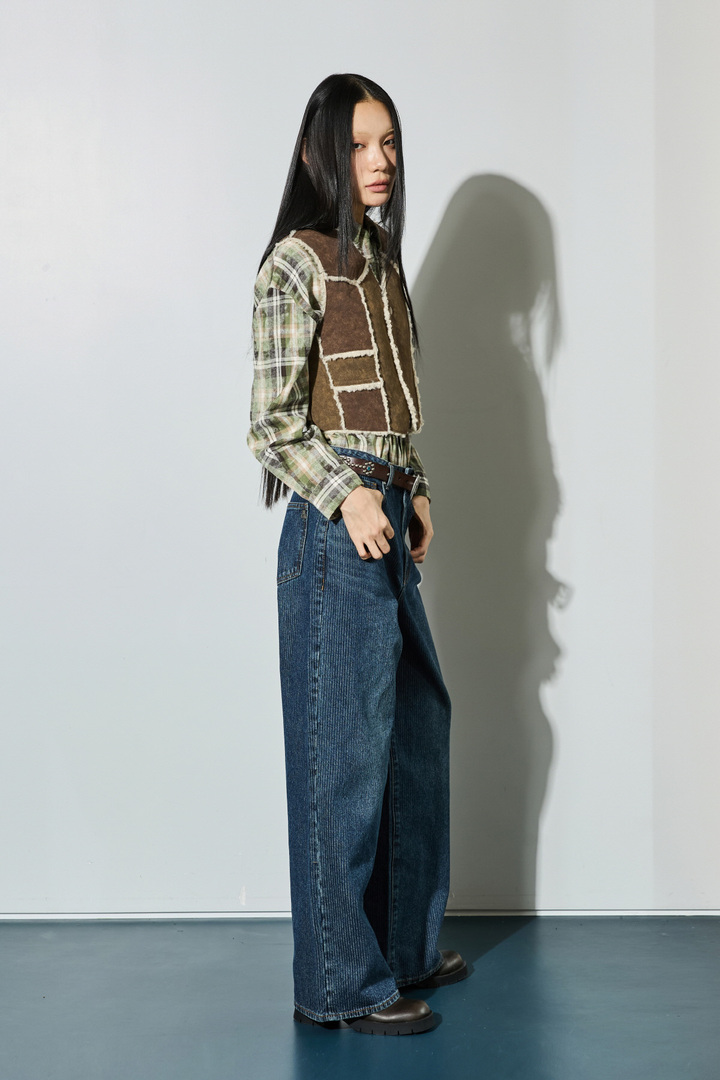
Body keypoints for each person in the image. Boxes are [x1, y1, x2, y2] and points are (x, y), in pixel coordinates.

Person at [247, 73, 468, 1036]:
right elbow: (272, 425)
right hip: (336, 527)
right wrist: (349, 498)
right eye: (359, 145)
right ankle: (339, 983)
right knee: (341, 758)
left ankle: (404, 948)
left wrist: (414, 490)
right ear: (316, 155)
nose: (379, 163)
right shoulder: (294, 265)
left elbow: (389, 411)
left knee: (415, 732)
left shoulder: (377, 258)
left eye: (389, 143)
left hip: (387, 507)